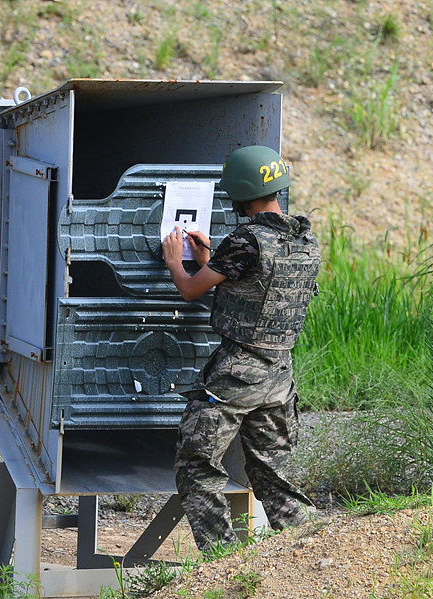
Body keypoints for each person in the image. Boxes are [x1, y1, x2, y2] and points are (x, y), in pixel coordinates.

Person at [161, 145, 320, 552]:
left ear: (239, 192)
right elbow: (259, 284)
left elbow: (189, 289)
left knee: (196, 467)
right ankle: (316, 551)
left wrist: (177, 260)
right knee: (272, 475)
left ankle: (222, 561)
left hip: (237, 374)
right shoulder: (304, 239)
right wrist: (212, 258)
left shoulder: (245, 239)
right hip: (280, 375)